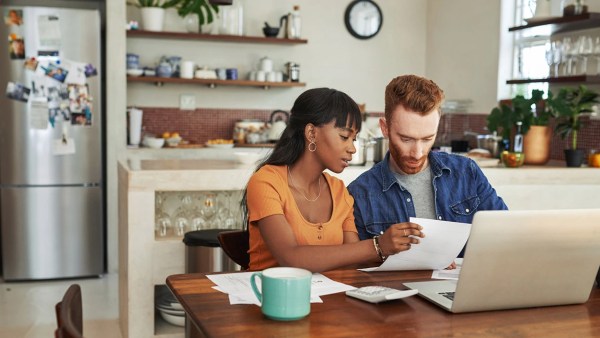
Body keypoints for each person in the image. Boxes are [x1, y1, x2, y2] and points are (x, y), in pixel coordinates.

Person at [244, 87, 424, 272]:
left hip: (329, 298)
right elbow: (291, 258)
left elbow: (353, 259)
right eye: (344, 136)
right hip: (269, 297)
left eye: (353, 139)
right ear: (311, 133)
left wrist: (418, 258)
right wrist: (378, 245)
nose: (352, 148)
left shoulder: (339, 191)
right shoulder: (266, 182)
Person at [348, 75, 508, 259]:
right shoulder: (359, 193)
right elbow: (358, 270)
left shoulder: (466, 172)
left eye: (427, 139)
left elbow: (504, 231)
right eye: (406, 139)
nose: (417, 152)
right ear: (385, 128)